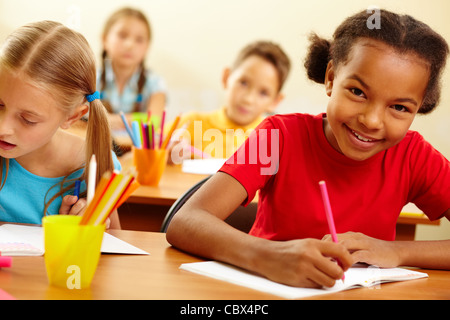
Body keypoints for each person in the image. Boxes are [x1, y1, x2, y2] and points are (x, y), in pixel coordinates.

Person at [166, 9, 450, 288]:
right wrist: (268, 256)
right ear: (330, 78)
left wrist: (398, 251)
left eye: (399, 107)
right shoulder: (279, 136)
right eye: (357, 92)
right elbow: (186, 221)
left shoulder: (415, 157)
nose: (371, 120)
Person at [0, 21, 122, 229]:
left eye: (28, 119)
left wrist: (86, 231)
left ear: (73, 117)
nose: (3, 128)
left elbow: (114, 246)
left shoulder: (95, 165)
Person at [168, 40, 290, 161]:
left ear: (275, 101)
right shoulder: (189, 124)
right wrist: (165, 154)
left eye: (263, 93)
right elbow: (153, 148)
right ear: (226, 77)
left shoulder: (274, 142)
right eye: (243, 83)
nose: (248, 99)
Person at [98, 7, 167, 130]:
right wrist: (138, 119)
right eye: (122, 35)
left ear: (147, 47)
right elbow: (77, 115)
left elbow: (154, 121)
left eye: (139, 39)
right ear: (104, 39)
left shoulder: (155, 83)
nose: (129, 44)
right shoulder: (91, 78)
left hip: (137, 149)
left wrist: (102, 119)